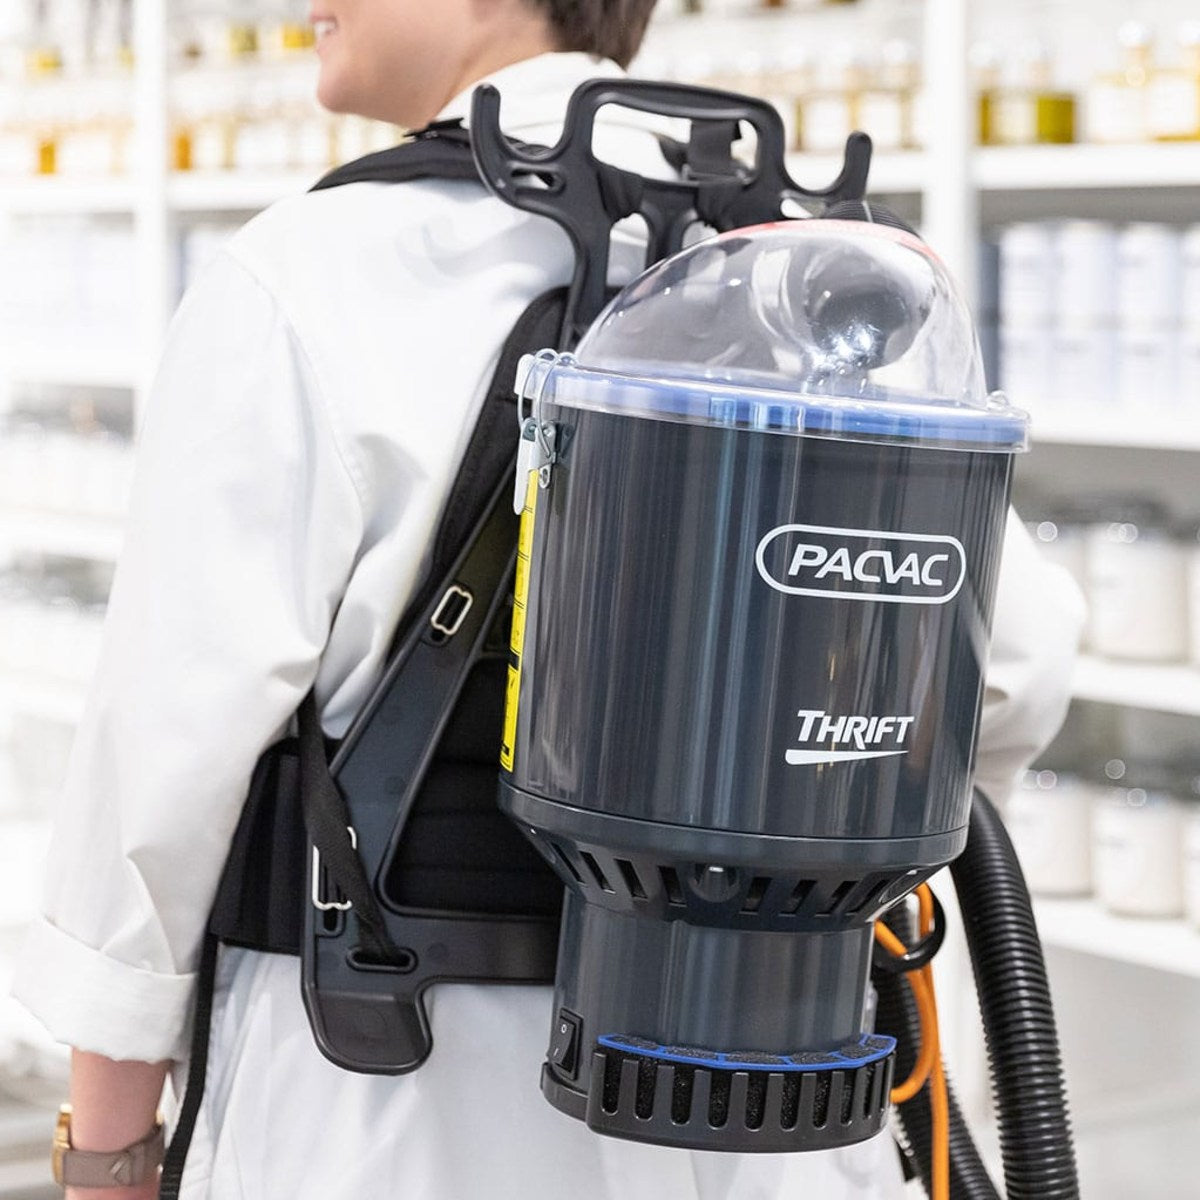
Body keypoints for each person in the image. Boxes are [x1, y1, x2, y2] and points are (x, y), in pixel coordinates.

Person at [12, 1, 1085, 1197]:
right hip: (781, 1122)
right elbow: (1014, 671)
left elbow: (159, 758)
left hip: (386, 1093)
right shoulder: (835, 273)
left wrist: (106, 1150)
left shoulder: (312, 272)